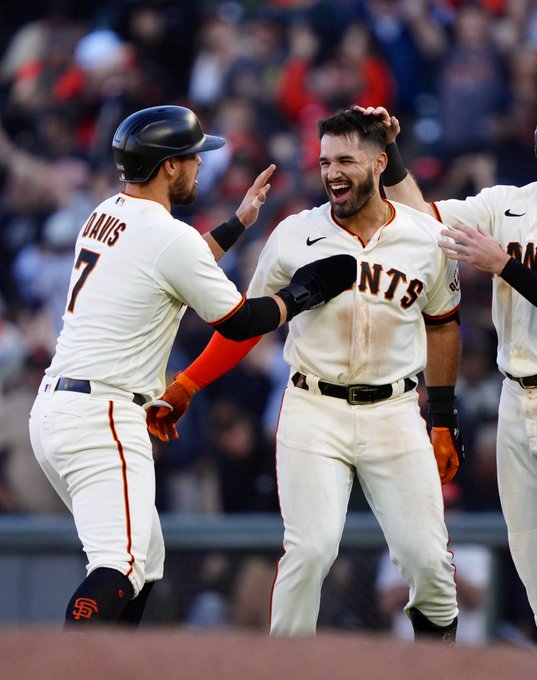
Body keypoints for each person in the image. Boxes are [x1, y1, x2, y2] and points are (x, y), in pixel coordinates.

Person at [28, 104, 356, 628]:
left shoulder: (107, 211)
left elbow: (171, 264)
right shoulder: (167, 237)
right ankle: (73, 660)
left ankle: (106, 660)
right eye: (192, 156)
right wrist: (304, 292)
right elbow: (241, 321)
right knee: (120, 565)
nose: (201, 164)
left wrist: (237, 225)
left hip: (59, 409)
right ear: (169, 166)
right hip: (102, 414)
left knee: (143, 562)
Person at [146, 108, 463, 642]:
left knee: (429, 561)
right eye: (324, 161)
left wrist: (443, 420)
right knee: (309, 551)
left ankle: (441, 667)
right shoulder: (295, 234)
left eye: (346, 160)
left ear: (379, 163)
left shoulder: (426, 237)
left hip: (394, 411)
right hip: (313, 407)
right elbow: (246, 324)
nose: (332, 172)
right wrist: (188, 383)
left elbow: (444, 327)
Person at [359, 88, 537, 656]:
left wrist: (503, 264)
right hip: (517, 395)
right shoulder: (507, 203)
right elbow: (423, 218)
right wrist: (394, 153)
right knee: (530, 553)